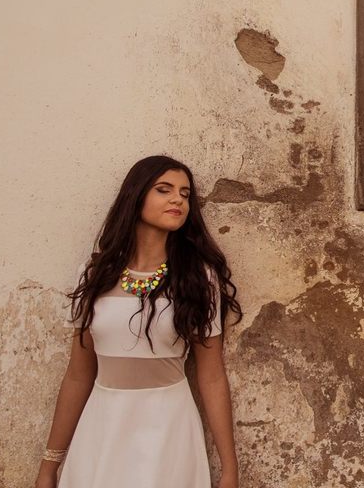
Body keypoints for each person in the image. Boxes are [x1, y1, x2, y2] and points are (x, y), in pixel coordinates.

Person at [35, 155, 242, 488]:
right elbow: (77, 375)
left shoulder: (198, 278)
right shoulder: (95, 275)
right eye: (164, 190)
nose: (178, 199)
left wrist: (230, 469)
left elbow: (212, 376)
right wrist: (50, 464)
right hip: (102, 428)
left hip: (168, 430)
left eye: (185, 193)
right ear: (136, 196)